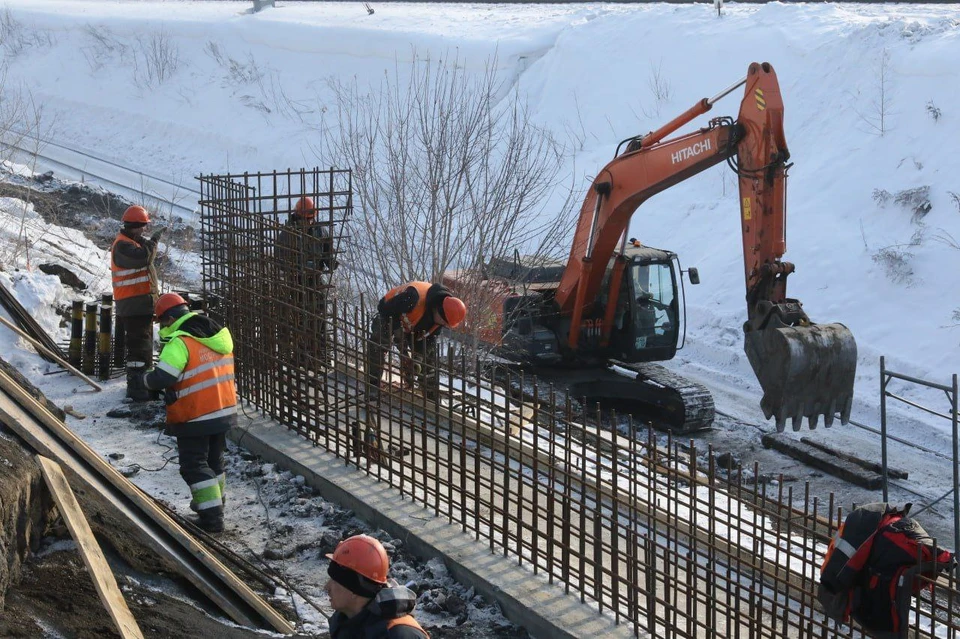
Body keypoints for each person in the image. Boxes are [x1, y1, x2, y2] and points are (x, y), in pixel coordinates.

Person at [142, 293, 237, 533]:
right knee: (214, 461)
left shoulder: (180, 342)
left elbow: (162, 377)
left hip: (196, 414)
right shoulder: (216, 335)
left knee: (193, 465)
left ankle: (212, 518)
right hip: (223, 410)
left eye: (163, 322)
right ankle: (216, 507)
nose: (162, 327)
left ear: (171, 318)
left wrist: (144, 380)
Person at [274, 196, 338, 421]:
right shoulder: (287, 233)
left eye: (310, 219)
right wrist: (296, 269)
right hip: (296, 282)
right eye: (303, 219)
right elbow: (279, 258)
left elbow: (329, 256)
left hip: (315, 280)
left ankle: (318, 356)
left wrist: (328, 262)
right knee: (298, 320)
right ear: (297, 216)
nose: (307, 223)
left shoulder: (320, 231)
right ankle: (300, 358)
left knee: (319, 317)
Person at [366, 282, 466, 400]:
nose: (444, 325)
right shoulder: (413, 297)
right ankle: (372, 385)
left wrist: (417, 360)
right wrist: (397, 330)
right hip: (389, 316)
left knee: (428, 359)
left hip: (413, 325)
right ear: (438, 310)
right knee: (379, 343)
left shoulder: (440, 319)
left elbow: (427, 342)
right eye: (444, 322)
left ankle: (431, 398)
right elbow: (383, 308)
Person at [325, 534, 429, 639]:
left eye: (334, 581)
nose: (326, 587)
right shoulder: (346, 621)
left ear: (354, 590)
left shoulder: (399, 634)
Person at [111, 205, 162, 401]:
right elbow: (144, 258)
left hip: (139, 305)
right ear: (136, 226)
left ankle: (144, 385)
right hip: (133, 306)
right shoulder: (123, 245)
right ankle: (137, 389)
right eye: (143, 227)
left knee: (144, 346)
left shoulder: (131, 242)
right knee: (139, 348)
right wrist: (154, 241)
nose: (145, 231)